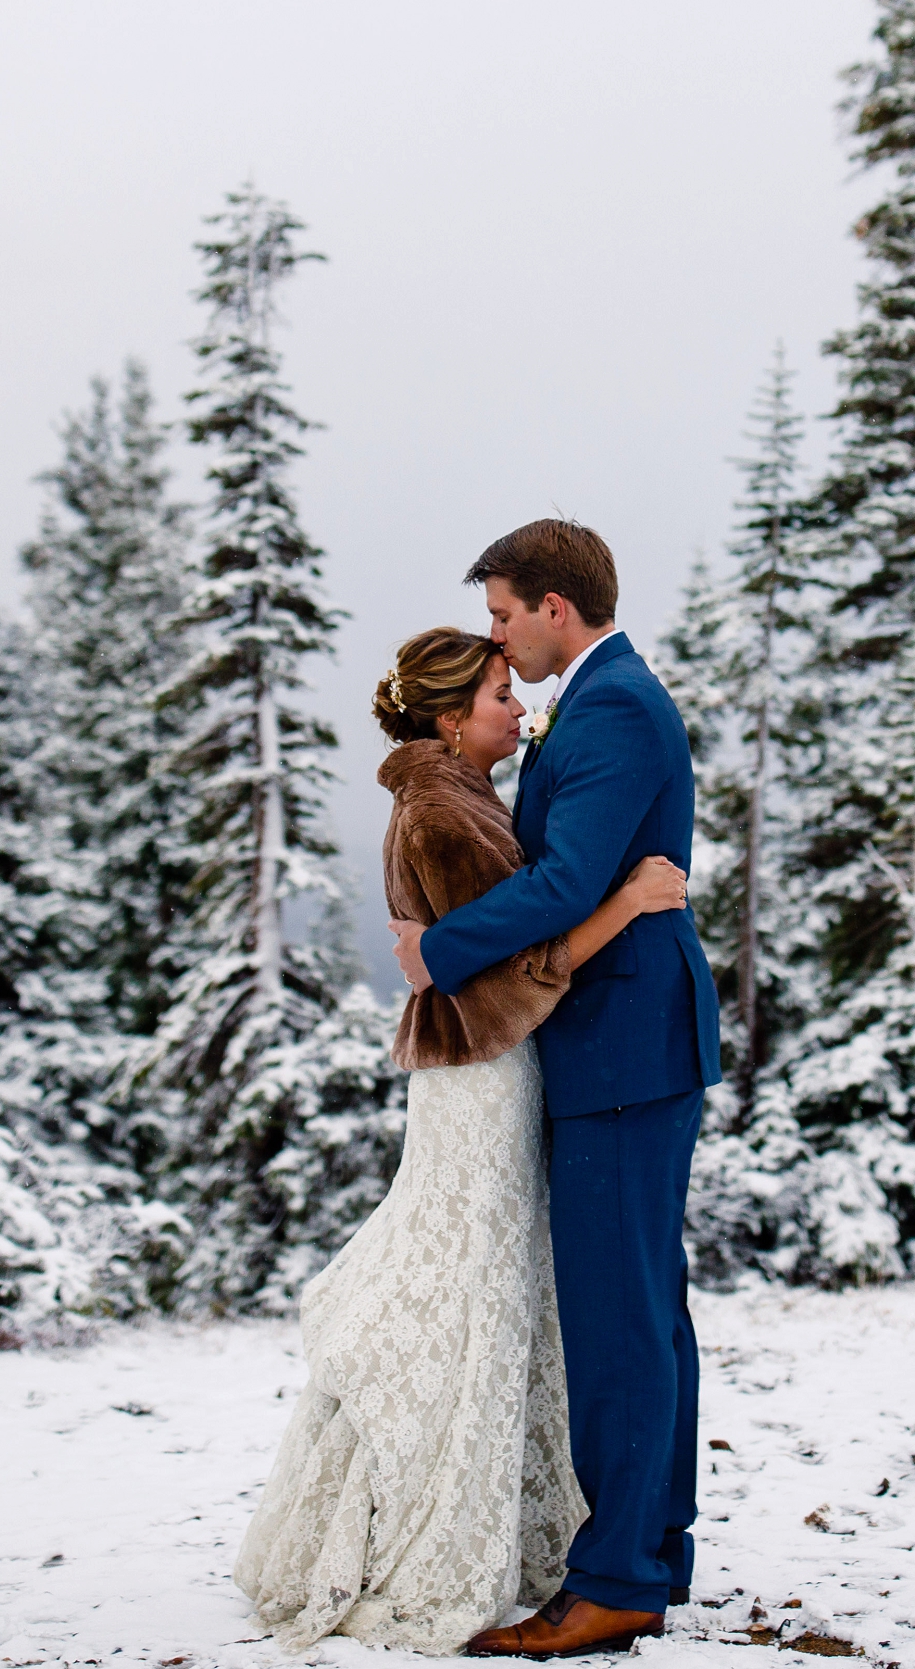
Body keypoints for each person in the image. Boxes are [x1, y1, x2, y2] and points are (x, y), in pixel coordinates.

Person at [233, 622, 692, 1654]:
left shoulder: (461, 787)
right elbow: (507, 966)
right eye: (495, 693)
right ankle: (416, 1523)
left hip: (491, 1068)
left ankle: (524, 1522)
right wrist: (625, 898)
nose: (516, 704)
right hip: (484, 1068)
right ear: (449, 718)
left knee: (489, 1289)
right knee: (466, 1291)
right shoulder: (443, 801)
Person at [399, 521, 720, 1660]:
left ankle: (620, 1578)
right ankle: (649, 1546)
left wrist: (434, 949)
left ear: (553, 604)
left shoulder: (616, 704)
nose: (494, 634)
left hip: (622, 1052)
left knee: (616, 1315)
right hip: (615, 1048)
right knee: (639, 1308)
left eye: (500, 613)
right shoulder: (591, 703)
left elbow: (568, 878)